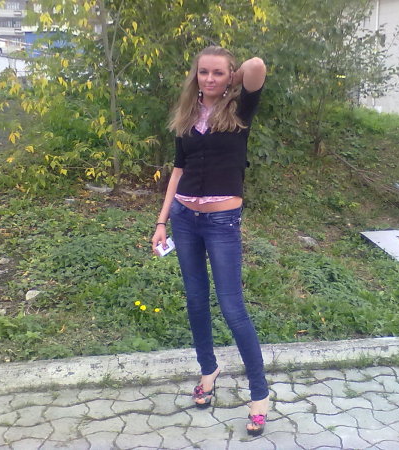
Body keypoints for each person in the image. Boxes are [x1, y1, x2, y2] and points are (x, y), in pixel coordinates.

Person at [151, 46, 269, 436]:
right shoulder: (187, 114)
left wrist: (233, 79)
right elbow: (177, 170)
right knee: (196, 301)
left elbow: (257, 67)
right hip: (184, 218)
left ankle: (259, 395)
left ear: (230, 75)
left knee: (233, 309)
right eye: (204, 72)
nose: (210, 79)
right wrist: (162, 221)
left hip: (221, 221)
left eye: (218, 72)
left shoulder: (239, 110)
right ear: (195, 75)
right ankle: (208, 370)